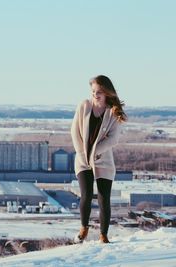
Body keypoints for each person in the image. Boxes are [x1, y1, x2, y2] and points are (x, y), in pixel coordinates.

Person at [71, 75, 127, 243]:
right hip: (83, 159)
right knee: (86, 195)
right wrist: (82, 154)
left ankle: (103, 235)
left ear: (107, 93)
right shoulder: (84, 106)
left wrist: (95, 152)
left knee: (104, 197)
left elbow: (113, 139)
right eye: (93, 91)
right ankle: (84, 228)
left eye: (99, 92)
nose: (95, 94)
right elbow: (74, 132)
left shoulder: (113, 112)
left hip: (103, 160)